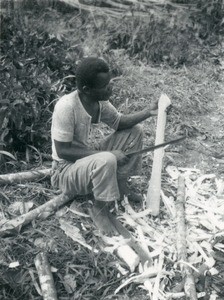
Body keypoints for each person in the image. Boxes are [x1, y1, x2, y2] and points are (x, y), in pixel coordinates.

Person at [51, 57, 158, 235]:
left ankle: (121, 185)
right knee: (107, 158)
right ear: (86, 89)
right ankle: (99, 208)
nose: (110, 88)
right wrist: (106, 155)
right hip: (64, 171)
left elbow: (119, 122)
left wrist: (150, 111)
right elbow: (63, 151)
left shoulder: (99, 101)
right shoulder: (66, 107)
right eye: (104, 86)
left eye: (110, 82)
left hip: (84, 164)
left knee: (135, 130)